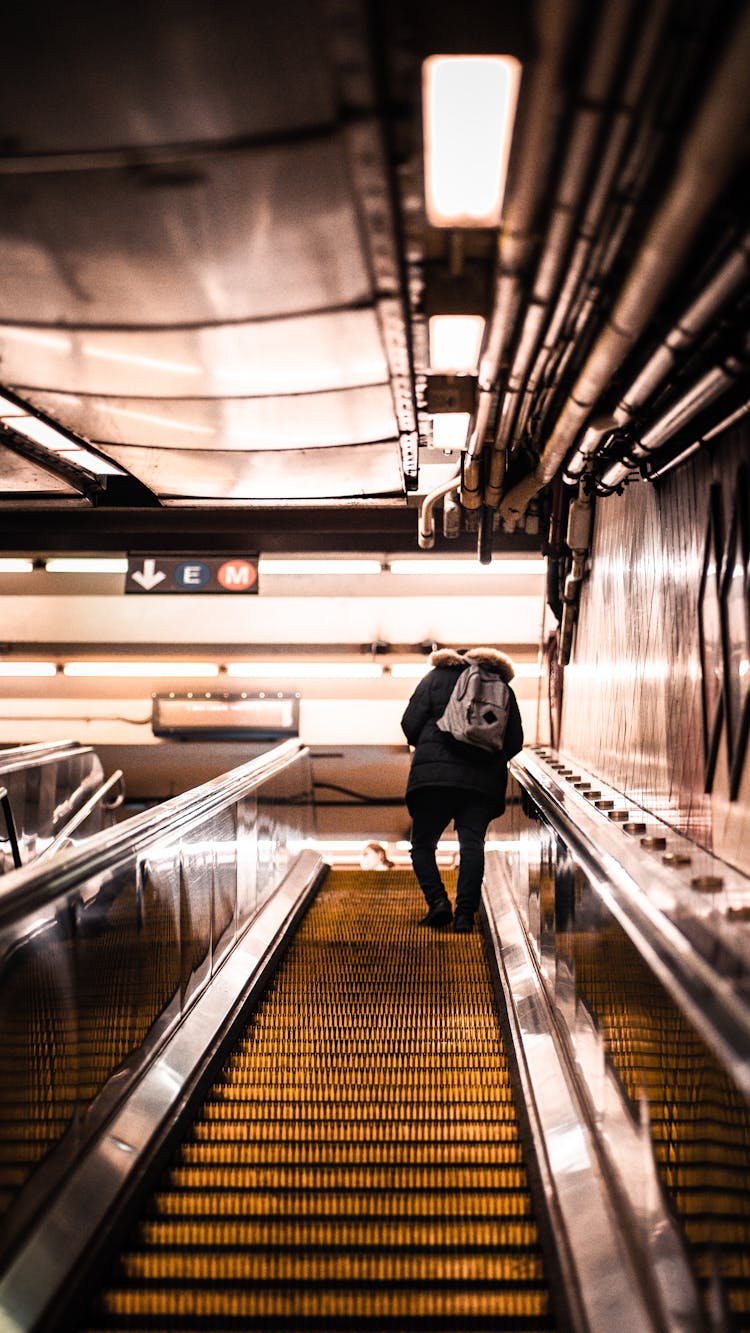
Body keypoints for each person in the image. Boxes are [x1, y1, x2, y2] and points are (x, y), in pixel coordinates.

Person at [400, 647, 523, 934]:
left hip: (434, 778)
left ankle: (438, 901)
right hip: (482, 783)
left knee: (422, 844)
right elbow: (515, 741)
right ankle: (465, 915)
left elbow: (409, 723)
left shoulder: (436, 676)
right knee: (472, 846)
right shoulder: (502, 687)